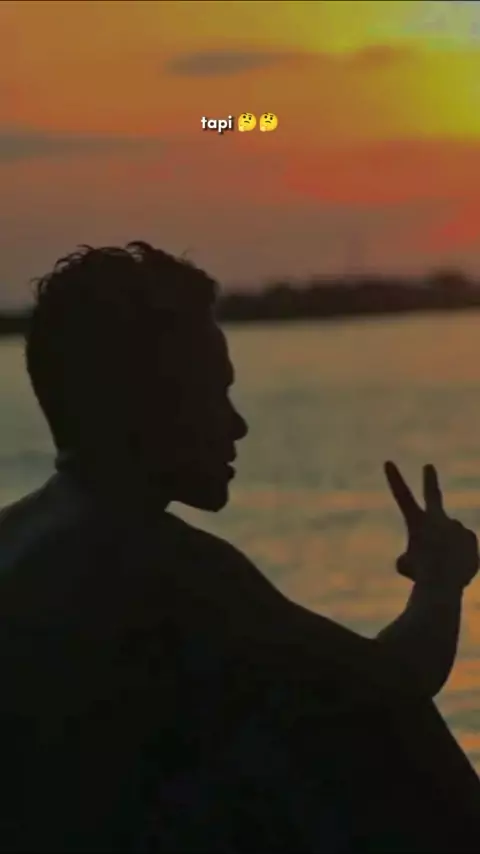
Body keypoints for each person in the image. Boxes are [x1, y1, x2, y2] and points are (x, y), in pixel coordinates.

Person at [0, 241, 479, 852]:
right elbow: (392, 687)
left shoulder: (20, 535)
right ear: (143, 404)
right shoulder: (155, 565)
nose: (236, 424)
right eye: (213, 392)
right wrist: (440, 581)